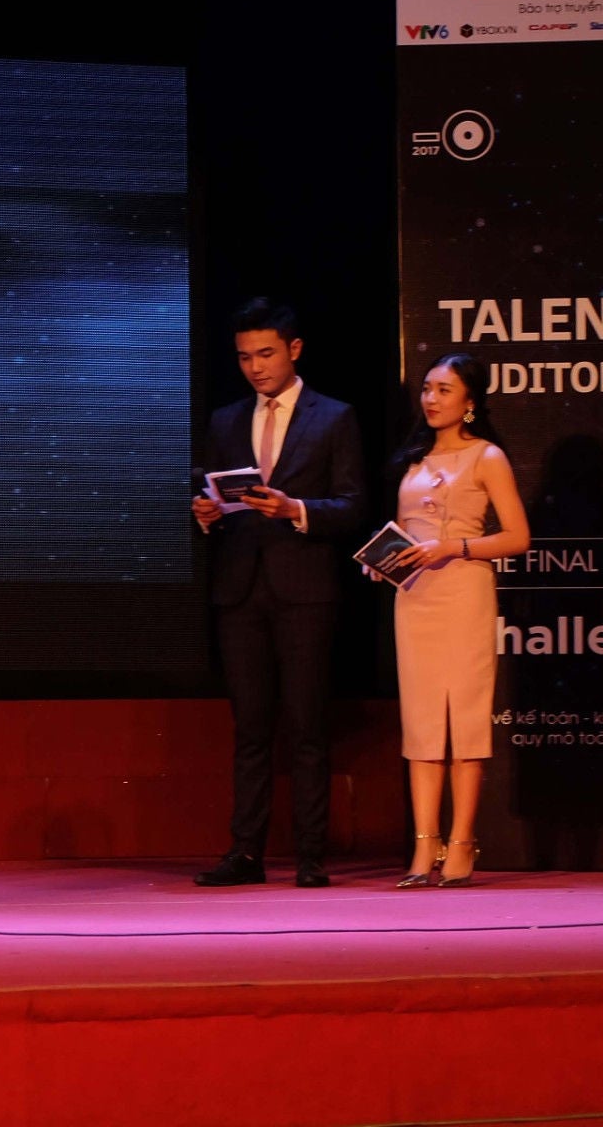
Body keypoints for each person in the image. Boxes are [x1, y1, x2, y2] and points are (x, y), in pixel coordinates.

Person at [191, 298, 365, 889]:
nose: (255, 367)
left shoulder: (334, 417)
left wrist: (296, 509)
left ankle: (312, 855)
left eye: (265, 354)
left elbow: (353, 506)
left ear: (294, 349)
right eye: (244, 357)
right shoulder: (225, 420)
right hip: (241, 589)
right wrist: (207, 513)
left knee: (308, 725)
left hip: (305, 588)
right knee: (250, 728)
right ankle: (246, 852)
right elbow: (217, 493)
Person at [378, 352, 529, 889]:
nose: (431, 399)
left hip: (464, 591)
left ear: (470, 402)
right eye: (427, 389)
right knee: (421, 723)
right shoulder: (413, 461)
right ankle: (424, 849)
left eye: (444, 390)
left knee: (463, 720)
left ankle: (462, 844)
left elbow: (517, 537)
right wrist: (386, 564)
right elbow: (405, 532)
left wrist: (454, 547)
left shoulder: (487, 457)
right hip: (414, 598)